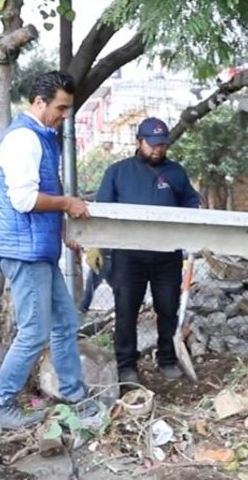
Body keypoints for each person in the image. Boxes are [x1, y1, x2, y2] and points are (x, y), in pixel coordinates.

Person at [0, 71, 93, 430]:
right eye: (60, 107)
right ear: (39, 102)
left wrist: (64, 231)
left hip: (37, 248)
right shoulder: (23, 140)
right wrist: (67, 205)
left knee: (65, 323)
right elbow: (25, 199)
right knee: (34, 331)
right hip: (23, 252)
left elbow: (40, 195)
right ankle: (0, 403)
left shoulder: (43, 138)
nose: (64, 115)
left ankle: (75, 395)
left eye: (68, 109)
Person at [95, 117, 202, 385]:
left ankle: (166, 359)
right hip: (129, 255)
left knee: (168, 307)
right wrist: (98, 245)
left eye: (162, 145)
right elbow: (101, 211)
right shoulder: (118, 172)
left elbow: (191, 203)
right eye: (152, 144)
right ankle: (127, 365)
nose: (157, 150)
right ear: (138, 142)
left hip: (167, 254)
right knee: (126, 310)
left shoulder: (176, 172)